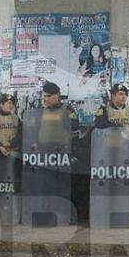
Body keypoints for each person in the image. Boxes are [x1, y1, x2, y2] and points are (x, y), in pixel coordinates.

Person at [39, 82, 82, 221]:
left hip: (62, 151)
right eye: (45, 96)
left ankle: (64, 215)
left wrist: (73, 153)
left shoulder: (67, 110)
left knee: (62, 184)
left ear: (57, 95)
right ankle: (47, 214)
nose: (46, 99)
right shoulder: (41, 110)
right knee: (46, 184)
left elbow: (75, 131)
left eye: (49, 96)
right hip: (45, 152)